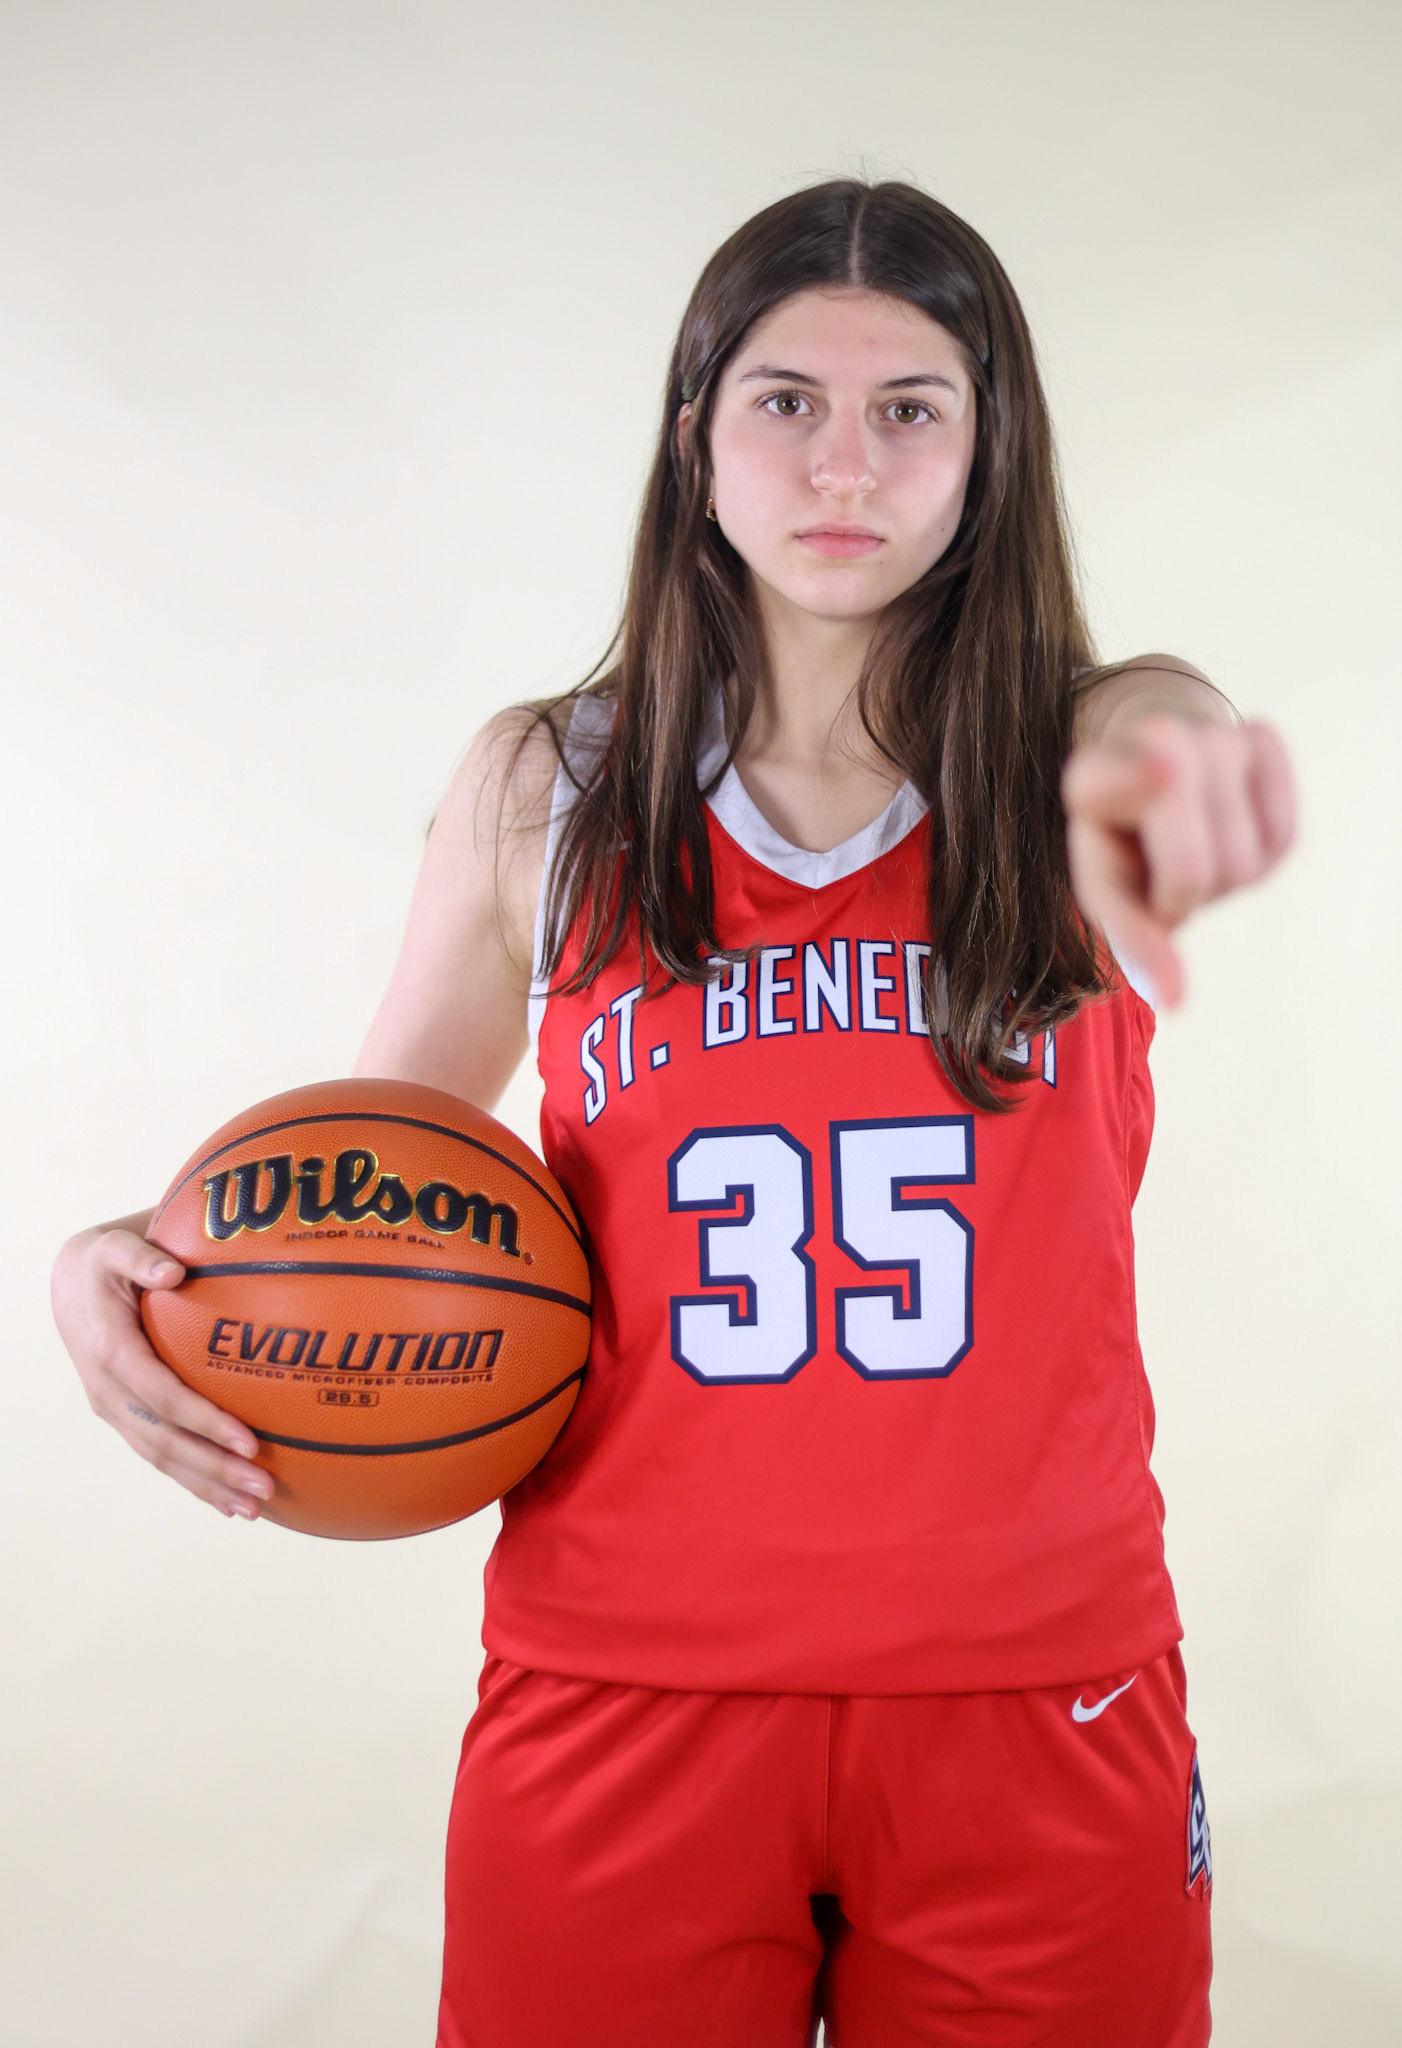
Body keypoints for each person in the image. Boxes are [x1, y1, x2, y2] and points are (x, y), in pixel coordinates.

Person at [52, 179, 1296, 2046]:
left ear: (988, 448)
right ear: (692, 433)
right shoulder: (545, 787)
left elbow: (1158, 724)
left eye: (911, 408)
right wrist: (134, 1277)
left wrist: (1182, 756)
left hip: (1038, 1693)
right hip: (618, 1686)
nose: (845, 464)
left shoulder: (1068, 752)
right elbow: (369, 1179)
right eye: (784, 400)